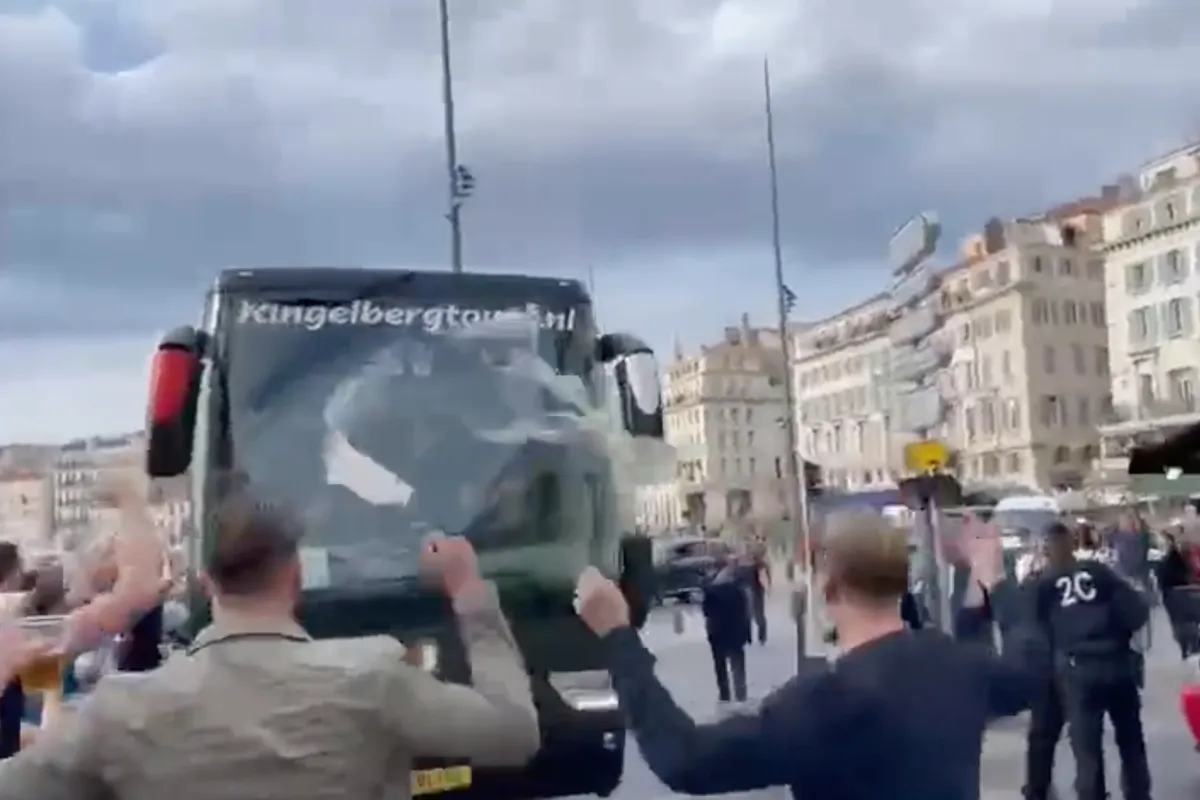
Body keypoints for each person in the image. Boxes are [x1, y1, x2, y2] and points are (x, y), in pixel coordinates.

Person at [0, 494, 540, 798]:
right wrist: (470, 593)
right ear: (295, 574)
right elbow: (514, 734)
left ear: (207, 583)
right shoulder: (373, 678)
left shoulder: (122, 711)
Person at [574, 508, 1040, 798]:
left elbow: (686, 760)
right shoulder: (959, 667)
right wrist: (993, 578)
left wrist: (618, 636)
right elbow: (1030, 667)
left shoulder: (825, 699)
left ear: (826, 586)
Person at [1027, 521, 1151, 800]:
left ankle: (1092, 794)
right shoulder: (1099, 572)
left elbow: (1037, 632)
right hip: (1117, 663)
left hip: (1076, 669)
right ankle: (1138, 793)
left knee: (1087, 748)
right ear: (1073, 545)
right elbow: (1135, 612)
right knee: (1130, 739)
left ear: (1047, 551)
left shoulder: (1043, 585)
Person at [701, 554, 752, 705]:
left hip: (716, 632)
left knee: (720, 665)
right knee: (737, 664)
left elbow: (706, 611)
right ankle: (741, 693)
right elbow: (746, 612)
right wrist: (747, 633)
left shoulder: (711, 591)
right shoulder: (739, 589)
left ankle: (724, 694)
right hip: (735, 631)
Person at [1157, 531, 1196, 659]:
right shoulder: (1162, 556)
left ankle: (1189, 647)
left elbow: (1178, 574)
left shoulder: (1174, 556)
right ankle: (1186, 647)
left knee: (1182, 623)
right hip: (1169, 593)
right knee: (1178, 623)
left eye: (1161, 540)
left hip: (1177, 592)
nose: (1158, 543)